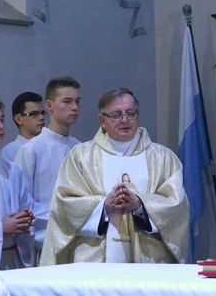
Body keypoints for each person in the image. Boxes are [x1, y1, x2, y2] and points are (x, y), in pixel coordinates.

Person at [40, 88, 189, 265]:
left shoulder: (163, 157)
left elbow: (177, 207)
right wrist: (103, 206)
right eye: (116, 115)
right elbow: (63, 206)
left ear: (137, 115)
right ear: (102, 120)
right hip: (94, 262)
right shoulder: (80, 156)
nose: (124, 120)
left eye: (130, 113)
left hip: (149, 261)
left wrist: (141, 206)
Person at [15, 77, 81, 265]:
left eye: (77, 101)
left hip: (77, 241)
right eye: (67, 101)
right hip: (44, 242)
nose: (74, 107)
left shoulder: (80, 149)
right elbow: (24, 202)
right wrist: (65, 214)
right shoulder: (32, 149)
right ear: (50, 105)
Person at [0, 95, 35, 269]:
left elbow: (26, 206)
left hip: (14, 258)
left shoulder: (12, 169)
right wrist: (0, 227)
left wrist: (26, 219)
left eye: (2, 119)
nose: (0, 126)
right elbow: (4, 225)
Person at [0, 92, 45, 163]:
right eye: (34, 114)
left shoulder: (50, 147)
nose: (42, 117)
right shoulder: (9, 154)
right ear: (18, 119)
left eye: (42, 113)